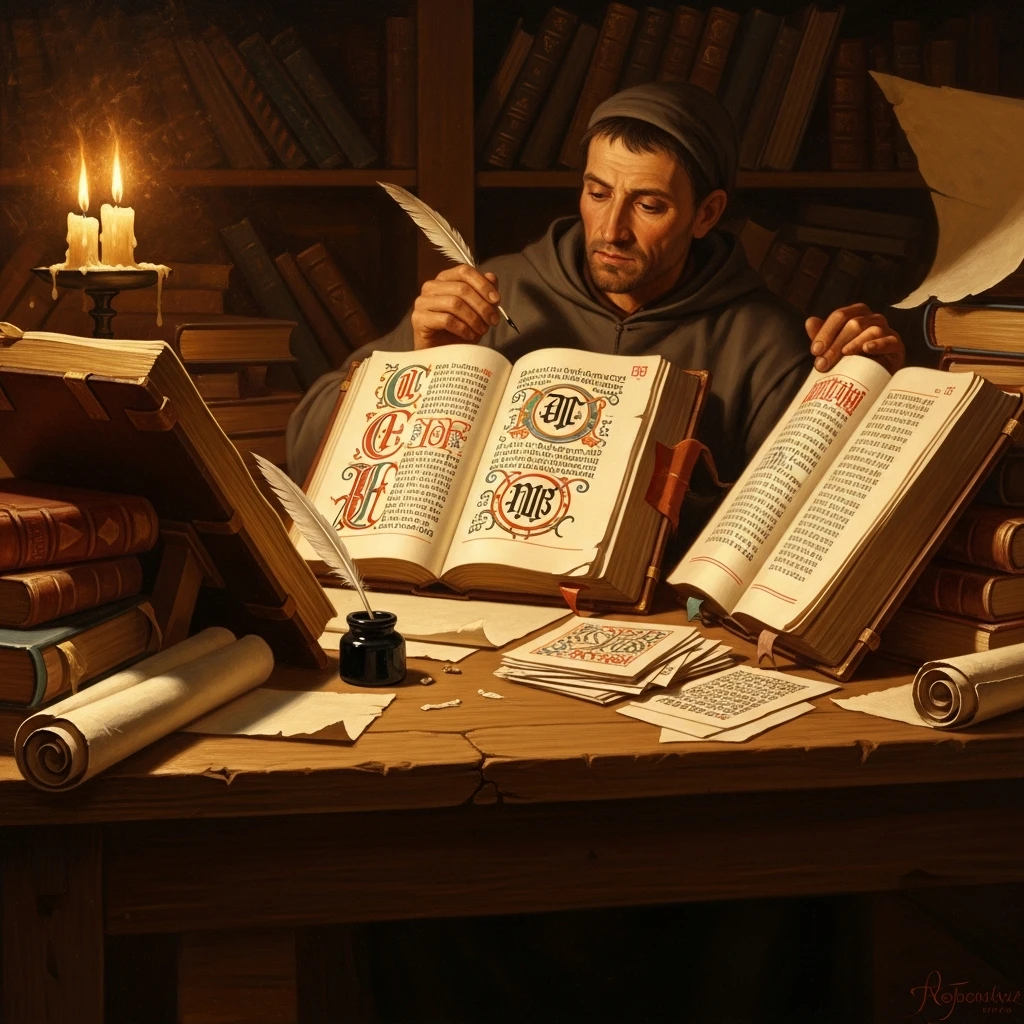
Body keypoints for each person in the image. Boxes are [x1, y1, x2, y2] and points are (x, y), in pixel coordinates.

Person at [287, 81, 904, 492]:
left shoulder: (766, 340)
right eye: (598, 193)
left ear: (707, 214)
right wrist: (416, 364)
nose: (611, 230)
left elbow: (814, 512)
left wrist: (871, 389)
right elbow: (306, 450)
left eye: (649, 205)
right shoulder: (498, 292)